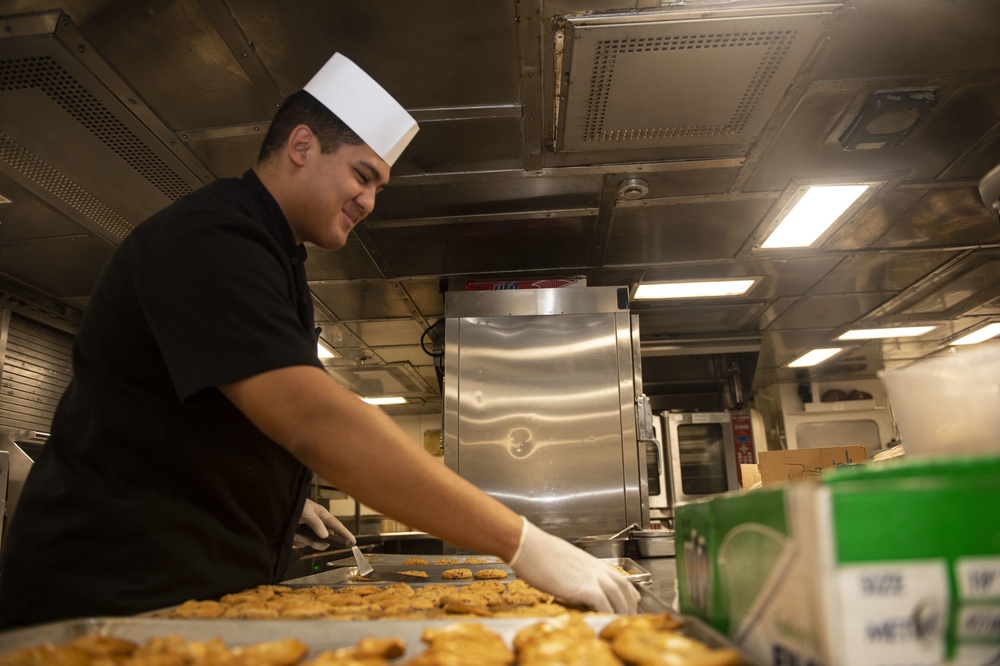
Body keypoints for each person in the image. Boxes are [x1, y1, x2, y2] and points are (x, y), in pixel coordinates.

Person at [0, 53, 639, 627]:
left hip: (184, 598)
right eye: (362, 175)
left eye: (378, 188)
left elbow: (220, 416)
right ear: (301, 144)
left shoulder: (279, 259)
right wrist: (522, 541)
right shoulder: (211, 238)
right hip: (103, 598)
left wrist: (283, 496)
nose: (368, 201)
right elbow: (312, 418)